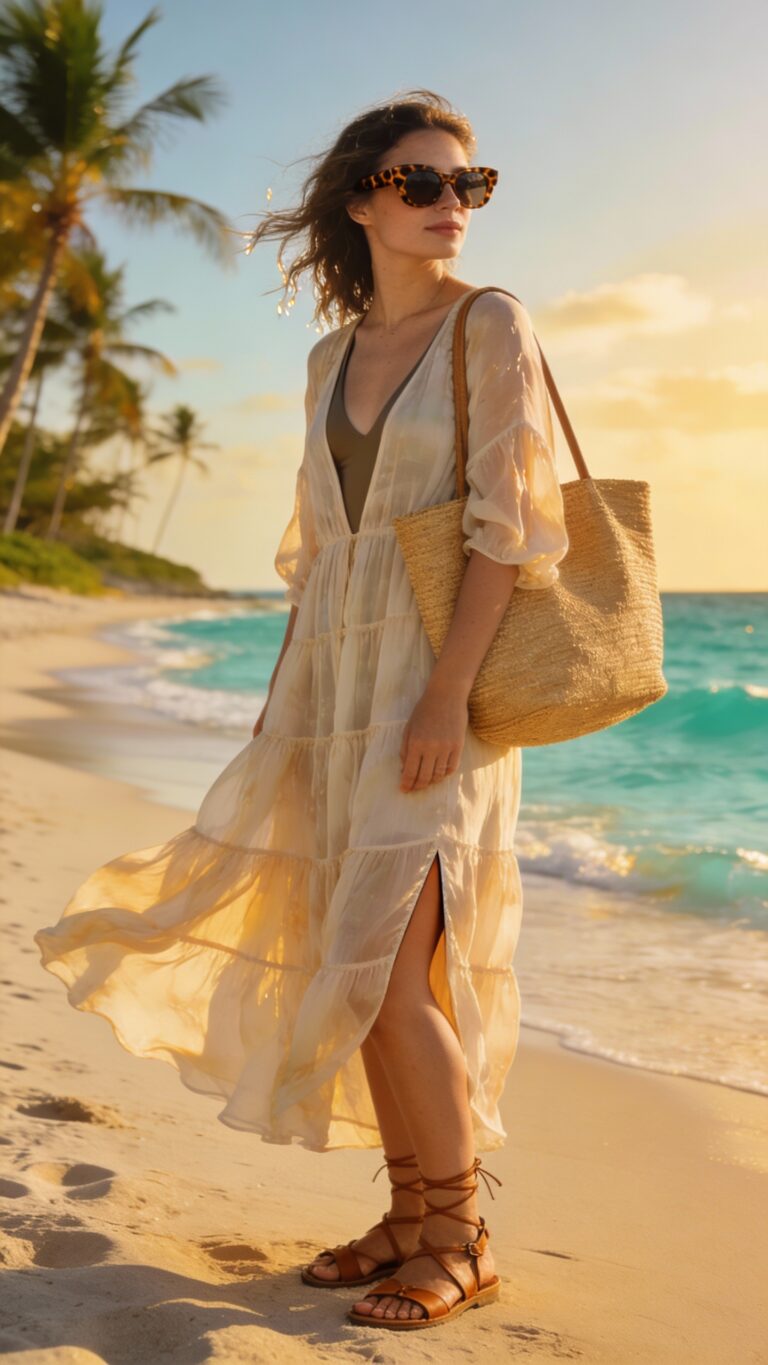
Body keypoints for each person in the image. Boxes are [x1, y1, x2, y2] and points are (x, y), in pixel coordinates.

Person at [34, 89, 570, 1331]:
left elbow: (508, 533)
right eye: (422, 182)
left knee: (390, 971)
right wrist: (284, 700)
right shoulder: (330, 358)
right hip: (333, 697)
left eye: (468, 185)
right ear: (361, 200)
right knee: (353, 964)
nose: (451, 205)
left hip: (433, 691)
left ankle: (464, 1237)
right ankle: (410, 1215)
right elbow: (318, 553)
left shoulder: (490, 323)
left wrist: (444, 697)